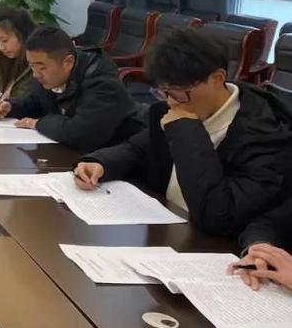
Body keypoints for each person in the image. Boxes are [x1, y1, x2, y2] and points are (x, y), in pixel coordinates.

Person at [75, 28, 292, 240]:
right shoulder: (175, 106)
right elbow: (137, 149)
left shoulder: (264, 135)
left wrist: (186, 132)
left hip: (215, 247)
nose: (171, 102)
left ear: (217, 78)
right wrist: (100, 163)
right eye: (163, 92)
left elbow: (218, 215)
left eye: (179, 92)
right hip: (166, 228)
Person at [0, 26, 145, 150]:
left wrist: (38, 123)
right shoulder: (50, 75)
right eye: (32, 66)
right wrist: (11, 107)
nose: (35, 74)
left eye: (41, 67)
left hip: (118, 162)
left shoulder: (102, 83)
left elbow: (82, 134)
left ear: (68, 62)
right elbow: (36, 103)